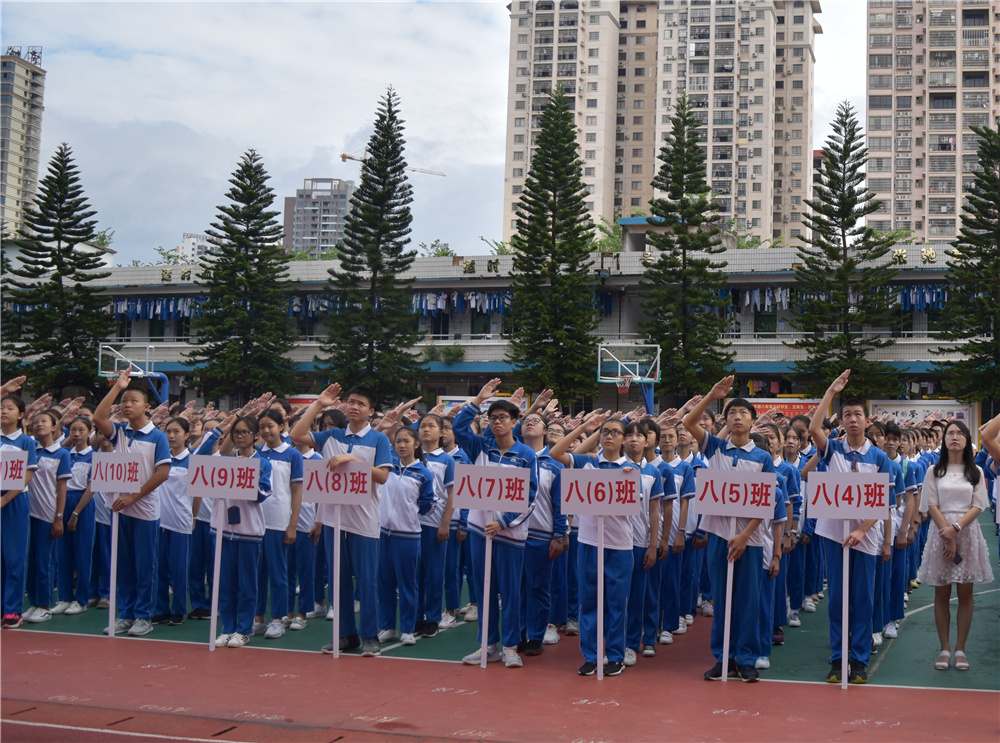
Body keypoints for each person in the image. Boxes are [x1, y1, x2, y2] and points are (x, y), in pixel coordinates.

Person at [682, 377, 781, 683]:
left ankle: (747, 658)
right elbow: (689, 421)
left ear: (753, 421)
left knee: (748, 600)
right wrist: (713, 393)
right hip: (719, 537)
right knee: (723, 600)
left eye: (743, 413)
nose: (737, 417)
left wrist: (744, 534)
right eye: (731, 413)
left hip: (749, 541)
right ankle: (724, 657)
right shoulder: (715, 448)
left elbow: (765, 501)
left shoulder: (762, 457)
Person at [290, 384, 392, 658]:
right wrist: (319, 404)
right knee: (338, 580)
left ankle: (371, 635)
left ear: (371, 411)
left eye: (361, 403)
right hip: (334, 519)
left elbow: (382, 476)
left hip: (365, 521)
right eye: (351, 401)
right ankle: (347, 635)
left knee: (367, 581)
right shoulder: (331, 435)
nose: (354, 406)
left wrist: (353, 459)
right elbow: (295, 434)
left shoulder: (378, 440)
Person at [809, 370, 894, 685]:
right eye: (847, 415)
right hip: (834, 535)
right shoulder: (832, 451)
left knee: (862, 599)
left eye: (858, 414)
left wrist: (862, 529)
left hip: (865, 538)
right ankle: (837, 657)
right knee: (837, 600)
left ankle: (858, 659)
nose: (853, 419)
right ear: (841, 421)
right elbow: (815, 428)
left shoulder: (879, 459)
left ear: (867, 420)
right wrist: (830, 392)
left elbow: (883, 500)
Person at [453, 379, 538, 670]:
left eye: (503, 417)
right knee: (484, 588)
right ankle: (487, 645)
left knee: (511, 592)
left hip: (510, 535)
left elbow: (531, 496)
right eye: (493, 418)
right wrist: (477, 401)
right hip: (479, 531)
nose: (497, 422)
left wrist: (502, 522)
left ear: (515, 421)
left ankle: (511, 647)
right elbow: (457, 430)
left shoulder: (526, 455)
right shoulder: (480, 446)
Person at [549, 413, 634, 677]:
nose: (609, 436)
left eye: (615, 433)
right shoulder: (588, 463)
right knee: (590, 601)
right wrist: (585, 428)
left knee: (616, 603)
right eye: (605, 432)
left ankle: (616, 655)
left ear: (624, 439)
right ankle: (591, 655)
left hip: (619, 545)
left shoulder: (631, 469)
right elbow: (556, 452)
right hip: (588, 542)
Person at [94, 370, 171, 637]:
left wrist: (134, 496)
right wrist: (117, 388)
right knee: (123, 565)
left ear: (147, 407)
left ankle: (143, 616)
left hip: (145, 511)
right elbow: (97, 417)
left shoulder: (157, 437)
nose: (127, 405)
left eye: (134, 401)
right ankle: (125, 614)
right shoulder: (119, 433)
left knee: (144, 566)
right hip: (120, 509)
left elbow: (162, 473)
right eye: (124, 401)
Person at [919, 419, 994, 672]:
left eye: (960, 433)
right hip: (941, 533)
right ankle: (944, 648)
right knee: (941, 593)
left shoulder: (976, 472)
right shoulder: (934, 470)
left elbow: (977, 505)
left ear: (967, 440)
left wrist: (956, 529)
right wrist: (948, 534)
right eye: (950, 433)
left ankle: (961, 648)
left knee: (965, 593)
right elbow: (931, 503)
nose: (954, 437)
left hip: (967, 532)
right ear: (944, 439)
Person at [205, 415, 273, 648]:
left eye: (245, 432)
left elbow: (263, 495)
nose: (240, 436)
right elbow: (201, 457)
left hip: (248, 533)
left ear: (255, 436)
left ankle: (244, 629)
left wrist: (244, 474)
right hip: (222, 530)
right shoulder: (223, 461)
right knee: (224, 583)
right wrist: (219, 432)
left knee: (247, 584)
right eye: (236, 432)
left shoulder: (263, 463)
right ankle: (227, 628)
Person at [377, 427, 435, 646]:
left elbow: (428, 505)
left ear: (416, 444)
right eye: (398, 441)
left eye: (406, 441)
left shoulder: (423, 473)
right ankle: (388, 626)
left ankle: (408, 629)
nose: (401, 445)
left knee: (408, 584)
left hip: (408, 536)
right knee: (385, 584)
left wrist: (409, 515)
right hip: (384, 534)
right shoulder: (388, 467)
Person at [517, 412, 567, 655]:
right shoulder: (512, 459)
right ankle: (515, 634)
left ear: (546, 431)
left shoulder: (555, 465)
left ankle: (536, 635)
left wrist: (559, 534)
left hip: (540, 535)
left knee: (538, 587)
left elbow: (561, 505)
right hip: (512, 534)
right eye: (526, 420)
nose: (530, 422)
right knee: (513, 588)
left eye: (536, 420)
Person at [251, 409, 303, 640]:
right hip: (253, 522)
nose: (266, 431)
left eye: (270, 426)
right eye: (261, 427)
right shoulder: (253, 454)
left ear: (281, 426)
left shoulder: (292, 455)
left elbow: (297, 491)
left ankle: (278, 619)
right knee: (256, 574)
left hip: (278, 521)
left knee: (278, 573)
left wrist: (292, 524)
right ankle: (258, 619)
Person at [150, 418, 202, 626]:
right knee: (159, 568)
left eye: (176, 432)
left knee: (179, 569)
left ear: (186, 435)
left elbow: (198, 494)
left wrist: (194, 517)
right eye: (168, 432)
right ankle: (161, 609)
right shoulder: (161, 459)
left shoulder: (192, 461)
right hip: (158, 519)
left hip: (181, 521)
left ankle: (178, 610)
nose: (171, 436)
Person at [24, 410, 71, 624]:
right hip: (26, 513)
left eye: (44, 421)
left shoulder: (61, 454)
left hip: (46, 514)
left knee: (44, 561)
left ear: (54, 427)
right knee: (30, 562)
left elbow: (62, 488)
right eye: (35, 422)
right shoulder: (30, 450)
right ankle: (34, 603)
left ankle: (44, 606)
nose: (39, 424)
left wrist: (58, 517)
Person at [415, 414, 455, 637]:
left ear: (442, 432)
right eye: (422, 426)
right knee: (415, 573)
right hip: (411, 524)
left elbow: (451, 494)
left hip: (434, 523)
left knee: (434, 573)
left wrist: (445, 523)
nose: (426, 430)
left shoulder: (446, 459)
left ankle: (432, 617)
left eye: (431, 426)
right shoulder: (412, 456)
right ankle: (416, 616)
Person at [1, 392, 39, 628]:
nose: (3, 411)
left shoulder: (25, 441)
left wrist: (5, 499)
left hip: (14, 501)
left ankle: (13, 609)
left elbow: (28, 474)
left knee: (14, 557)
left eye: (9, 408)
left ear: (21, 415)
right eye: (1, 407)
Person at [53, 416, 97, 616]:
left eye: (81, 430)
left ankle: (82, 599)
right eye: (73, 430)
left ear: (90, 432)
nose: (77, 434)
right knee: (63, 554)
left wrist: (76, 513)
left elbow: (91, 487)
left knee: (82, 553)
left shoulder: (94, 457)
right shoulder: (64, 454)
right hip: (63, 500)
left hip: (82, 504)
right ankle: (63, 597)